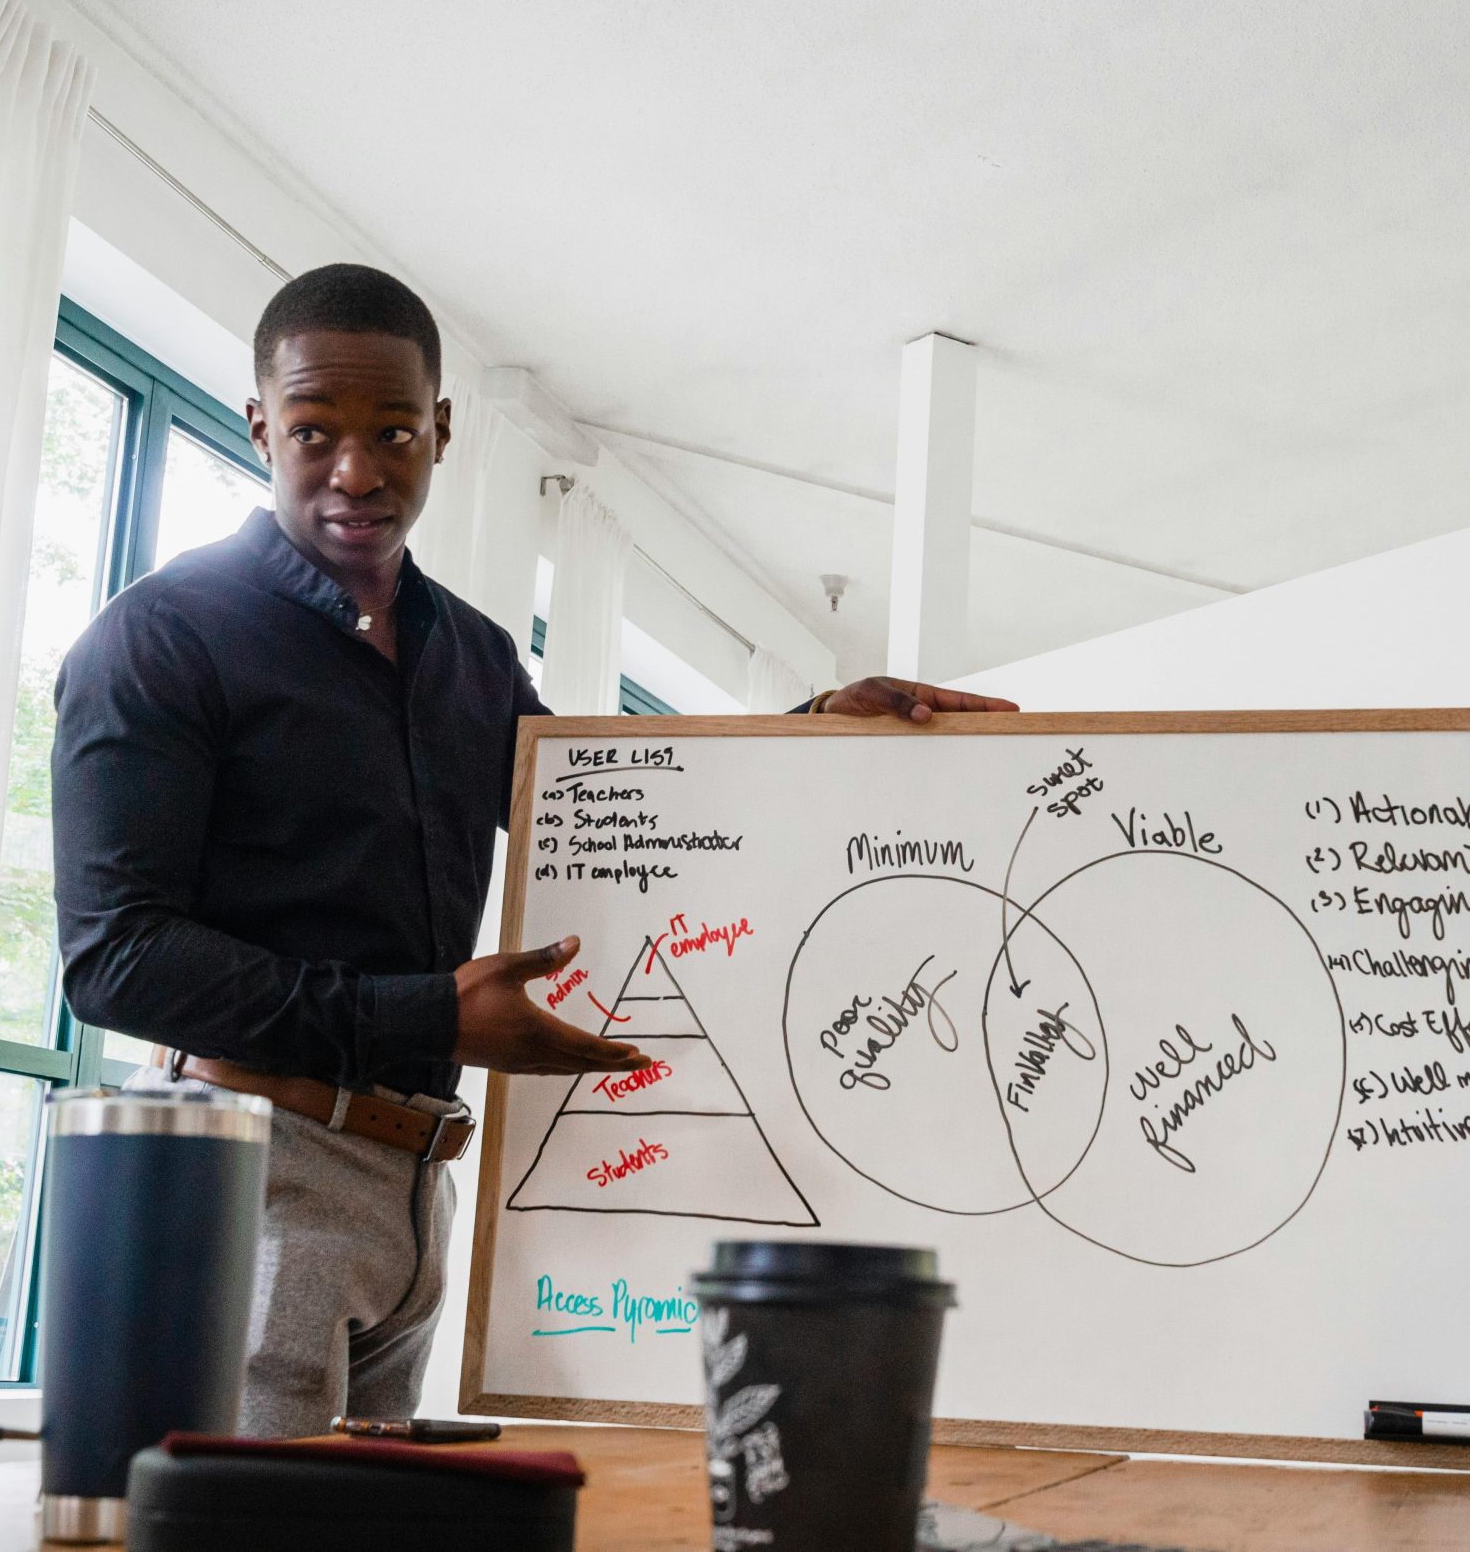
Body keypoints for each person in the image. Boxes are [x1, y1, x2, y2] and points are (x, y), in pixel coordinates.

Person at [50, 263, 1015, 1434]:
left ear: (442, 430)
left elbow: (611, 810)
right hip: (250, 1172)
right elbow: (114, 960)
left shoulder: (473, 654)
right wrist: (429, 1017)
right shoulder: (159, 638)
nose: (355, 471)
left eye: (393, 431)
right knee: (241, 1518)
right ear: (260, 427)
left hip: (421, 1187)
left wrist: (810, 731)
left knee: (363, 1518)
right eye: (312, 432)